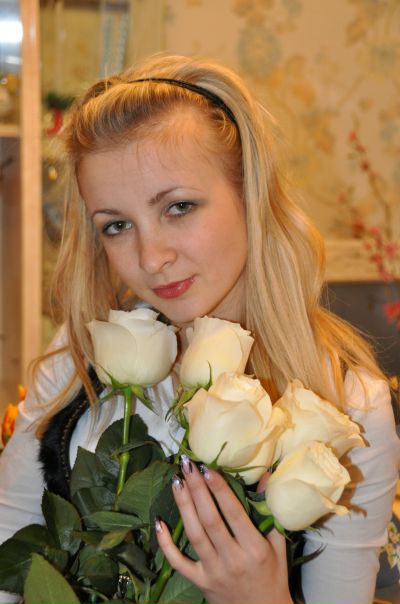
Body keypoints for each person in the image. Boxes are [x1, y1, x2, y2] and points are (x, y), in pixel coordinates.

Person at [0, 53, 399, 604]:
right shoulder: (80, 356)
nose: (151, 257)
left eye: (179, 207)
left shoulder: (349, 405)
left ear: (249, 194)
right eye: (116, 225)